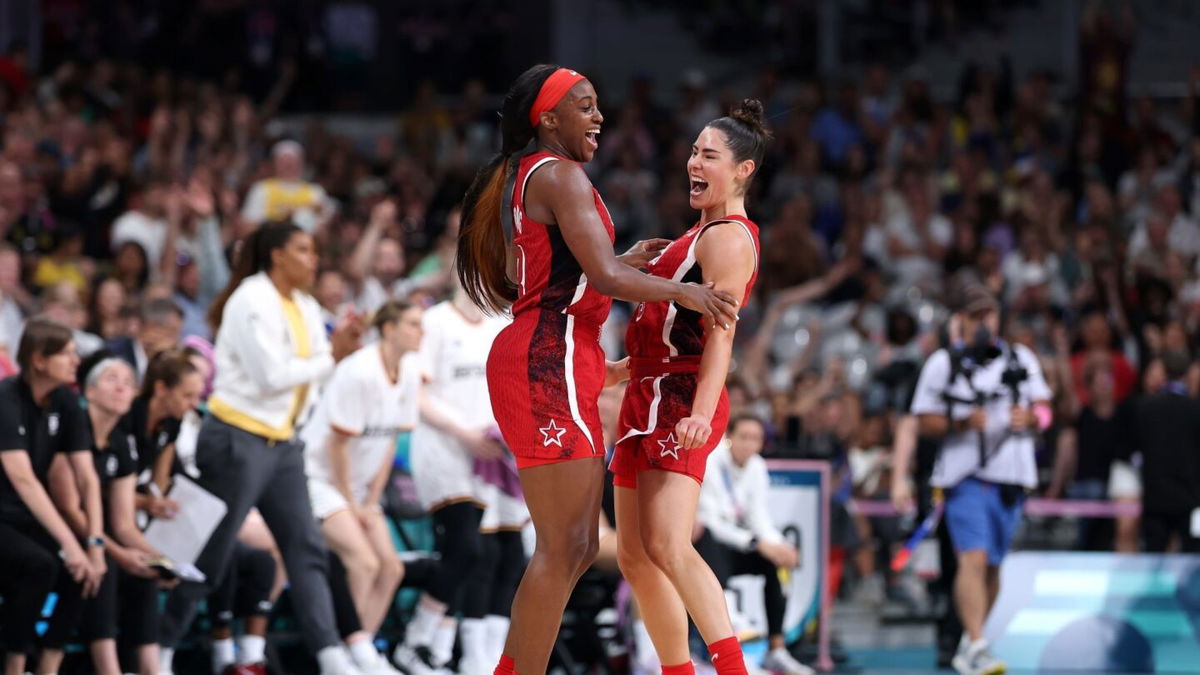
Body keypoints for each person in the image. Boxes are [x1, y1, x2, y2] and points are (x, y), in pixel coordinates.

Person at [455, 64, 740, 675]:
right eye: (584, 107)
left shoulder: (534, 174)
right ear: (547, 118)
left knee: (577, 546)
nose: (598, 117)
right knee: (567, 547)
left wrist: (614, 265)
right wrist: (684, 293)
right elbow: (606, 279)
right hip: (547, 355)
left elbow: (582, 269)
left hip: (559, 352)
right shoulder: (558, 173)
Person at [156, 221, 365, 675]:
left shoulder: (306, 306)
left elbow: (310, 375)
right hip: (237, 438)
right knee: (209, 554)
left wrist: (336, 353)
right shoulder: (249, 299)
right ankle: (159, 652)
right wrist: (332, 356)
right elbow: (272, 376)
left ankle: (331, 657)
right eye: (304, 250)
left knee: (306, 548)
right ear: (277, 255)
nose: (313, 260)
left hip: (283, 444)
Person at [608, 99, 768, 675]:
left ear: (742, 170)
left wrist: (701, 412)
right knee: (634, 555)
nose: (693, 163)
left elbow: (719, 339)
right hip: (645, 394)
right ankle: (678, 670)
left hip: (680, 400)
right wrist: (624, 370)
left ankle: (732, 669)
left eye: (709, 155)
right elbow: (669, 331)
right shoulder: (692, 235)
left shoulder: (727, 237)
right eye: (693, 152)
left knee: (671, 545)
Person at [907, 284, 1052, 675]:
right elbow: (923, 419)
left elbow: (1045, 409)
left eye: (990, 314)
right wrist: (961, 421)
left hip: (1012, 477)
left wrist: (1034, 419)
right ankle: (976, 641)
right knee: (972, 559)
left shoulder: (1020, 358)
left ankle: (972, 643)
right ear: (961, 321)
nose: (985, 322)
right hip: (965, 476)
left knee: (993, 568)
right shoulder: (943, 363)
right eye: (976, 316)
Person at [397, 284, 520, 674]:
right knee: (467, 549)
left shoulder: (502, 323)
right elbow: (416, 394)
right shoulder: (434, 323)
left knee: (500, 553)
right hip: (445, 449)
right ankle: (419, 642)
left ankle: (461, 651)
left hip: (492, 452)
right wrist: (462, 433)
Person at [302, 299, 423, 675]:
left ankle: (362, 653)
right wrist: (351, 503)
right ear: (388, 329)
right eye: (413, 324)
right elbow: (336, 445)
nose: (421, 332)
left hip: (358, 490)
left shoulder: (409, 371)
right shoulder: (359, 371)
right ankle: (336, 655)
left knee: (391, 568)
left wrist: (370, 501)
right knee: (364, 562)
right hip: (319, 480)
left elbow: (388, 443)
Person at [49, 354, 171, 675]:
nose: (122, 388)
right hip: (63, 531)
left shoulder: (121, 443)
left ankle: (151, 669)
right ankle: (109, 669)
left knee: (145, 574)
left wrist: (163, 560)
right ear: (88, 392)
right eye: (112, 380)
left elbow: (124, 523)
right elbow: (69, 511)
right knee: (109, 568)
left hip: (99, 532)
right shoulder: (73, 433)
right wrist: (113, 552)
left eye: (129, 383)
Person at [0, 318, 105, 675]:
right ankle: (13, 664)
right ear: (39, 360)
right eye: (66, 354)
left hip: (27, 519)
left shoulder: (65, 400)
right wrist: (70, 545)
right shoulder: (6, 397)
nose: (76, 361)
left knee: (85, 573)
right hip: (3, 516)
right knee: (41, 564)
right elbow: (23, 478)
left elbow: (88, 477)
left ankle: (49, 665)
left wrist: (94, 544)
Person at [695, 414, 809, 674]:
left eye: (755, 439)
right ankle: (723, 645)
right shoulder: (711, 461)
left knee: (774, 563)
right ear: (730, 437)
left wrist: (780, 546)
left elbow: (759, 517)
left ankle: (777, 649)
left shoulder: (757, 467)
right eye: (744, 437)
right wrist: (757, 543)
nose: (749, 444)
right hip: (713, 545)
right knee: (710, 543)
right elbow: (711, 521)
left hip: (740, 543)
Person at [1128, 350, 1200, 553]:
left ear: (1164, 373)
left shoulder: (1144, 407)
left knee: (1154, 557)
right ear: (1186, 374)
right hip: (1190, 500)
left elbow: (1133, 452)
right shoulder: (1195, 409)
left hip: (1155, 497)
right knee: (1192, 560)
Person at [241, 140, 337, 232]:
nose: (288, 165)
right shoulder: (261, 188)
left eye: (292, 161)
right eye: (283, 161)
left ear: (301, 163)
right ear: (275, 164)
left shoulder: (314, 191)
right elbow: (248, 223)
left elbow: (325, 223)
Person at [106, 297, 184, 383]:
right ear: (151, 328)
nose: (176, 340)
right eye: (172, 331)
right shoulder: (114, 353)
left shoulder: (167, 363)